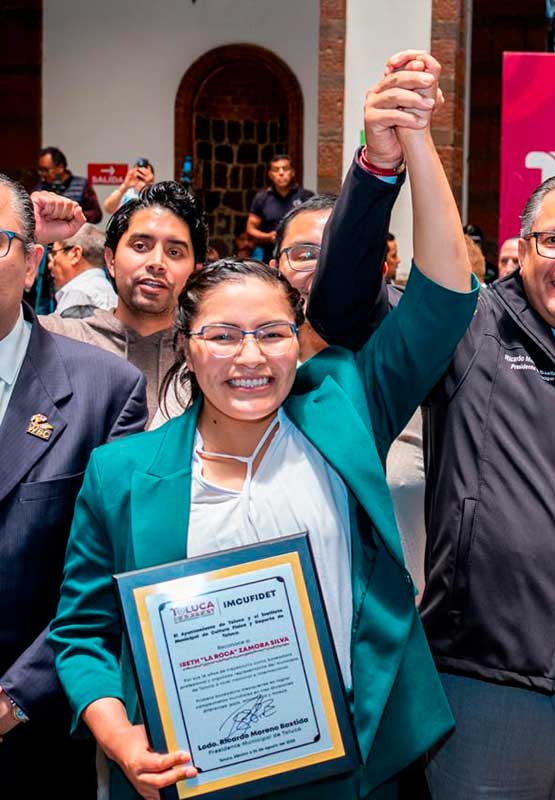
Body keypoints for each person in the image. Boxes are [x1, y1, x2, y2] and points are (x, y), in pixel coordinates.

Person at [48, 49, 477, 799]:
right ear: (187, 344)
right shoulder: (123, 475)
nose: (250, 357)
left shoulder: (343, 406)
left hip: (350, 767)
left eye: (272, 333)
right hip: (186, 776)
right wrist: (122, 740)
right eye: (223, 336)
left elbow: (444, 294)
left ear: (300, 338)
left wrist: (409, 139)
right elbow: (83, 635)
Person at [310, 154, 555, 794]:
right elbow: (342, 307)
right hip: (478, 680)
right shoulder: (469, 328)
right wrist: (377, 172)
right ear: (522, 249)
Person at [0, 177, 146, 798]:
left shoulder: (104, 389)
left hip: (28, 736)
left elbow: (103, 575)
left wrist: (13, 698)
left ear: (34, 261)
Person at [39, 181, 206, 423]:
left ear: (193, 271)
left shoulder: (206, 354)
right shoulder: (59, 337)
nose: (156, 262)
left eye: (175, 252)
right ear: (110, 260)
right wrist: (21, 229)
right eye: (140, 246)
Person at [246, 155, 315, 253]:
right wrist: (268, 237)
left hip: (300, 252)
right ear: (270, 175)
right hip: (270, 254)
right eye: (276, 169)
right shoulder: (262, 198)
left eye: (285, 169)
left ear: (292, 172)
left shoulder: (306, 196)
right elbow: (250, 230)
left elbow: (314, 225)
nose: (281, 173)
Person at [46, 222, 117, 316]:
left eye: (54, 253)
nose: (50, 265)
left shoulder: (78, 295)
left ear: (75, 254)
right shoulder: (107, 292)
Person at [35, 146, 101, 223]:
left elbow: (96, 215)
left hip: (78, 233)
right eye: (40, 170)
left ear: (60, 167)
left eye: (46, 170)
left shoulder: (82, 185)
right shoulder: (39, 189)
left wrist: (73, 213)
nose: (42, 174)